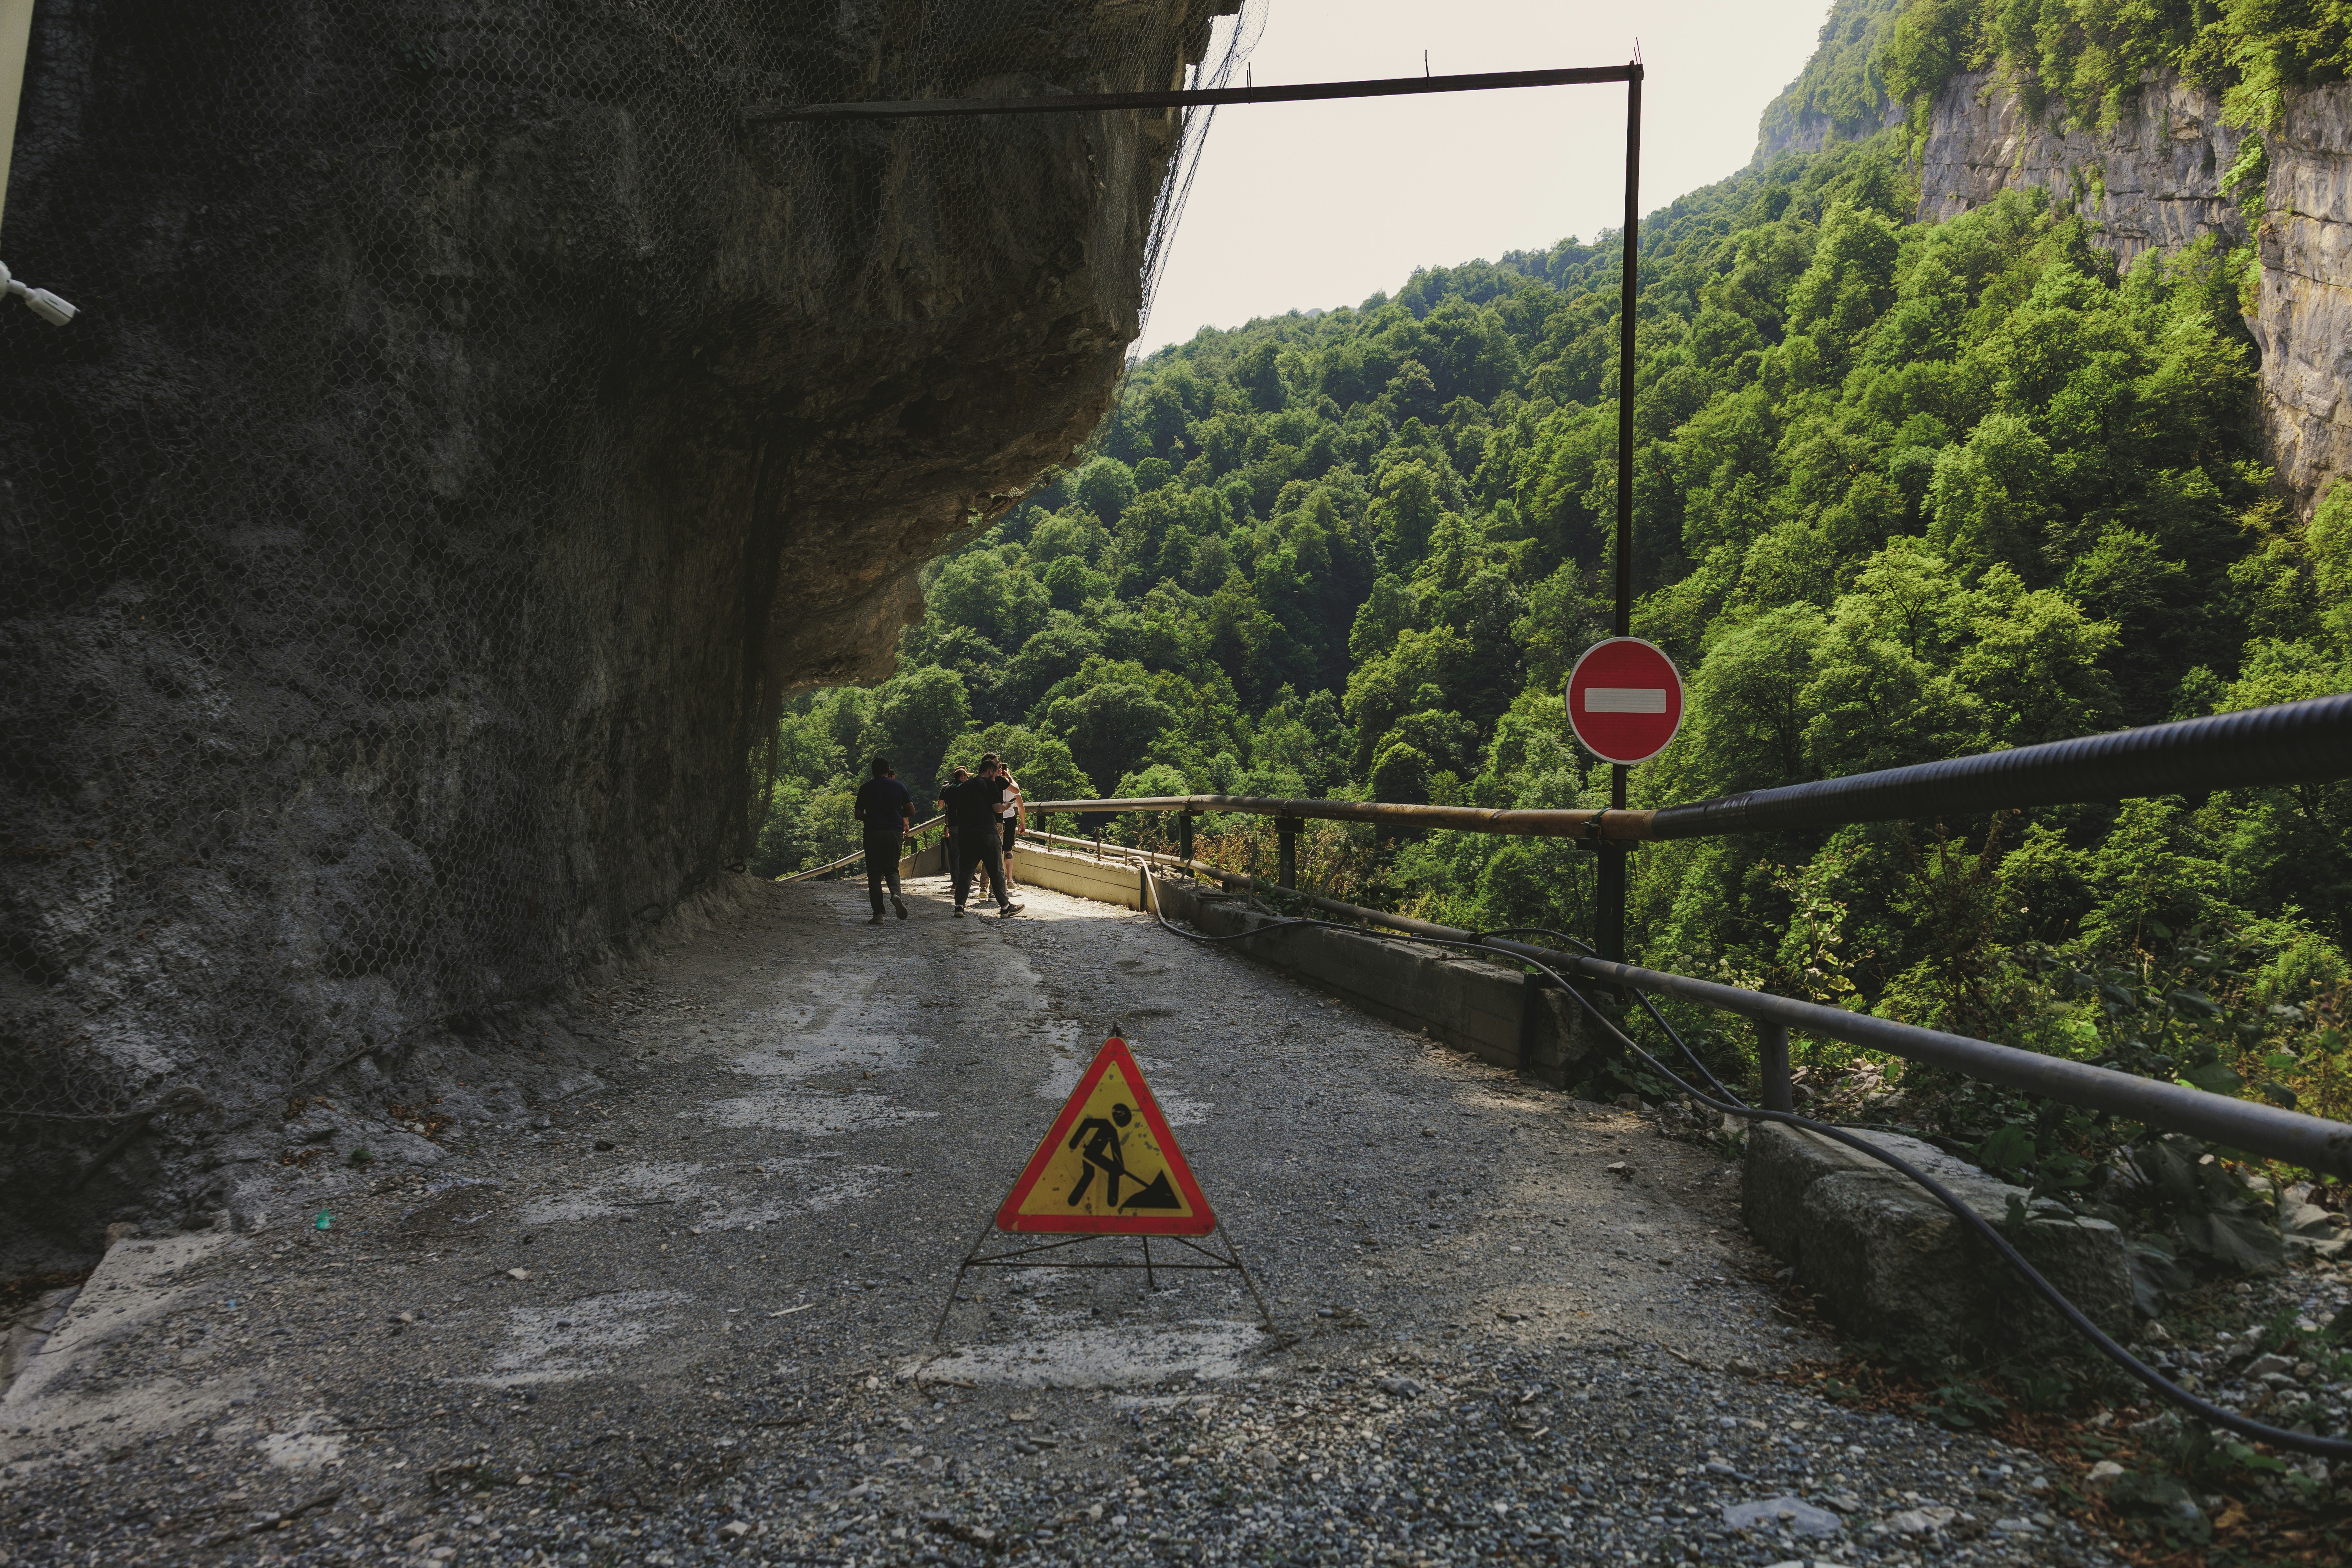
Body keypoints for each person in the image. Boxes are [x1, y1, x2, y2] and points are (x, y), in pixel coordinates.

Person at [940, 754, 1022, 918]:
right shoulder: (990, 785)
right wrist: (1007, 805)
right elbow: (998, 808)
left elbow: (954, 809)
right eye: (995, 772)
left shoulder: (963, 786)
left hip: (966, 833)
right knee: (996, 871)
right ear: (991, 771)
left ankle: (960, 906)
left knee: (966, 872)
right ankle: (1006, 907)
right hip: (987, 832)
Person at [851, 756, 913, 924]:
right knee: (892, 870)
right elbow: (911, 811)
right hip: (893, 832)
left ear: (873, 772)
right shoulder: (899, 786)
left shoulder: (865, 788)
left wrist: (872, 818)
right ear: (888, 770)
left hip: (873, 833)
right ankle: (895, 895)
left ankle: (878, 914)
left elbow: (858, 815)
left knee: (874, 875)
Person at [936, 765, 969, 891]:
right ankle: (965, 881)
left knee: (955, 854)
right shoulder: (966, 787)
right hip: (966, 825)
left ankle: (955, 883)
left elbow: (945, 807)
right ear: (962, 776)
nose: (967, 778)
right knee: (967, 853)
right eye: (966, 776)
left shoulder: (947, 789)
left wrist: (947, 826)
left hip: (953, 825)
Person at [998, 762, 1025, 870]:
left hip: (997, 818)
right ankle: (1009, 878)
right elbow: (1021, 806)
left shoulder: (993, 783)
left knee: (997, 849)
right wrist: (1023, 823)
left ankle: (1000, 877)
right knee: (1008, 849)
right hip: (1010, 819)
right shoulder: (1012, 785)